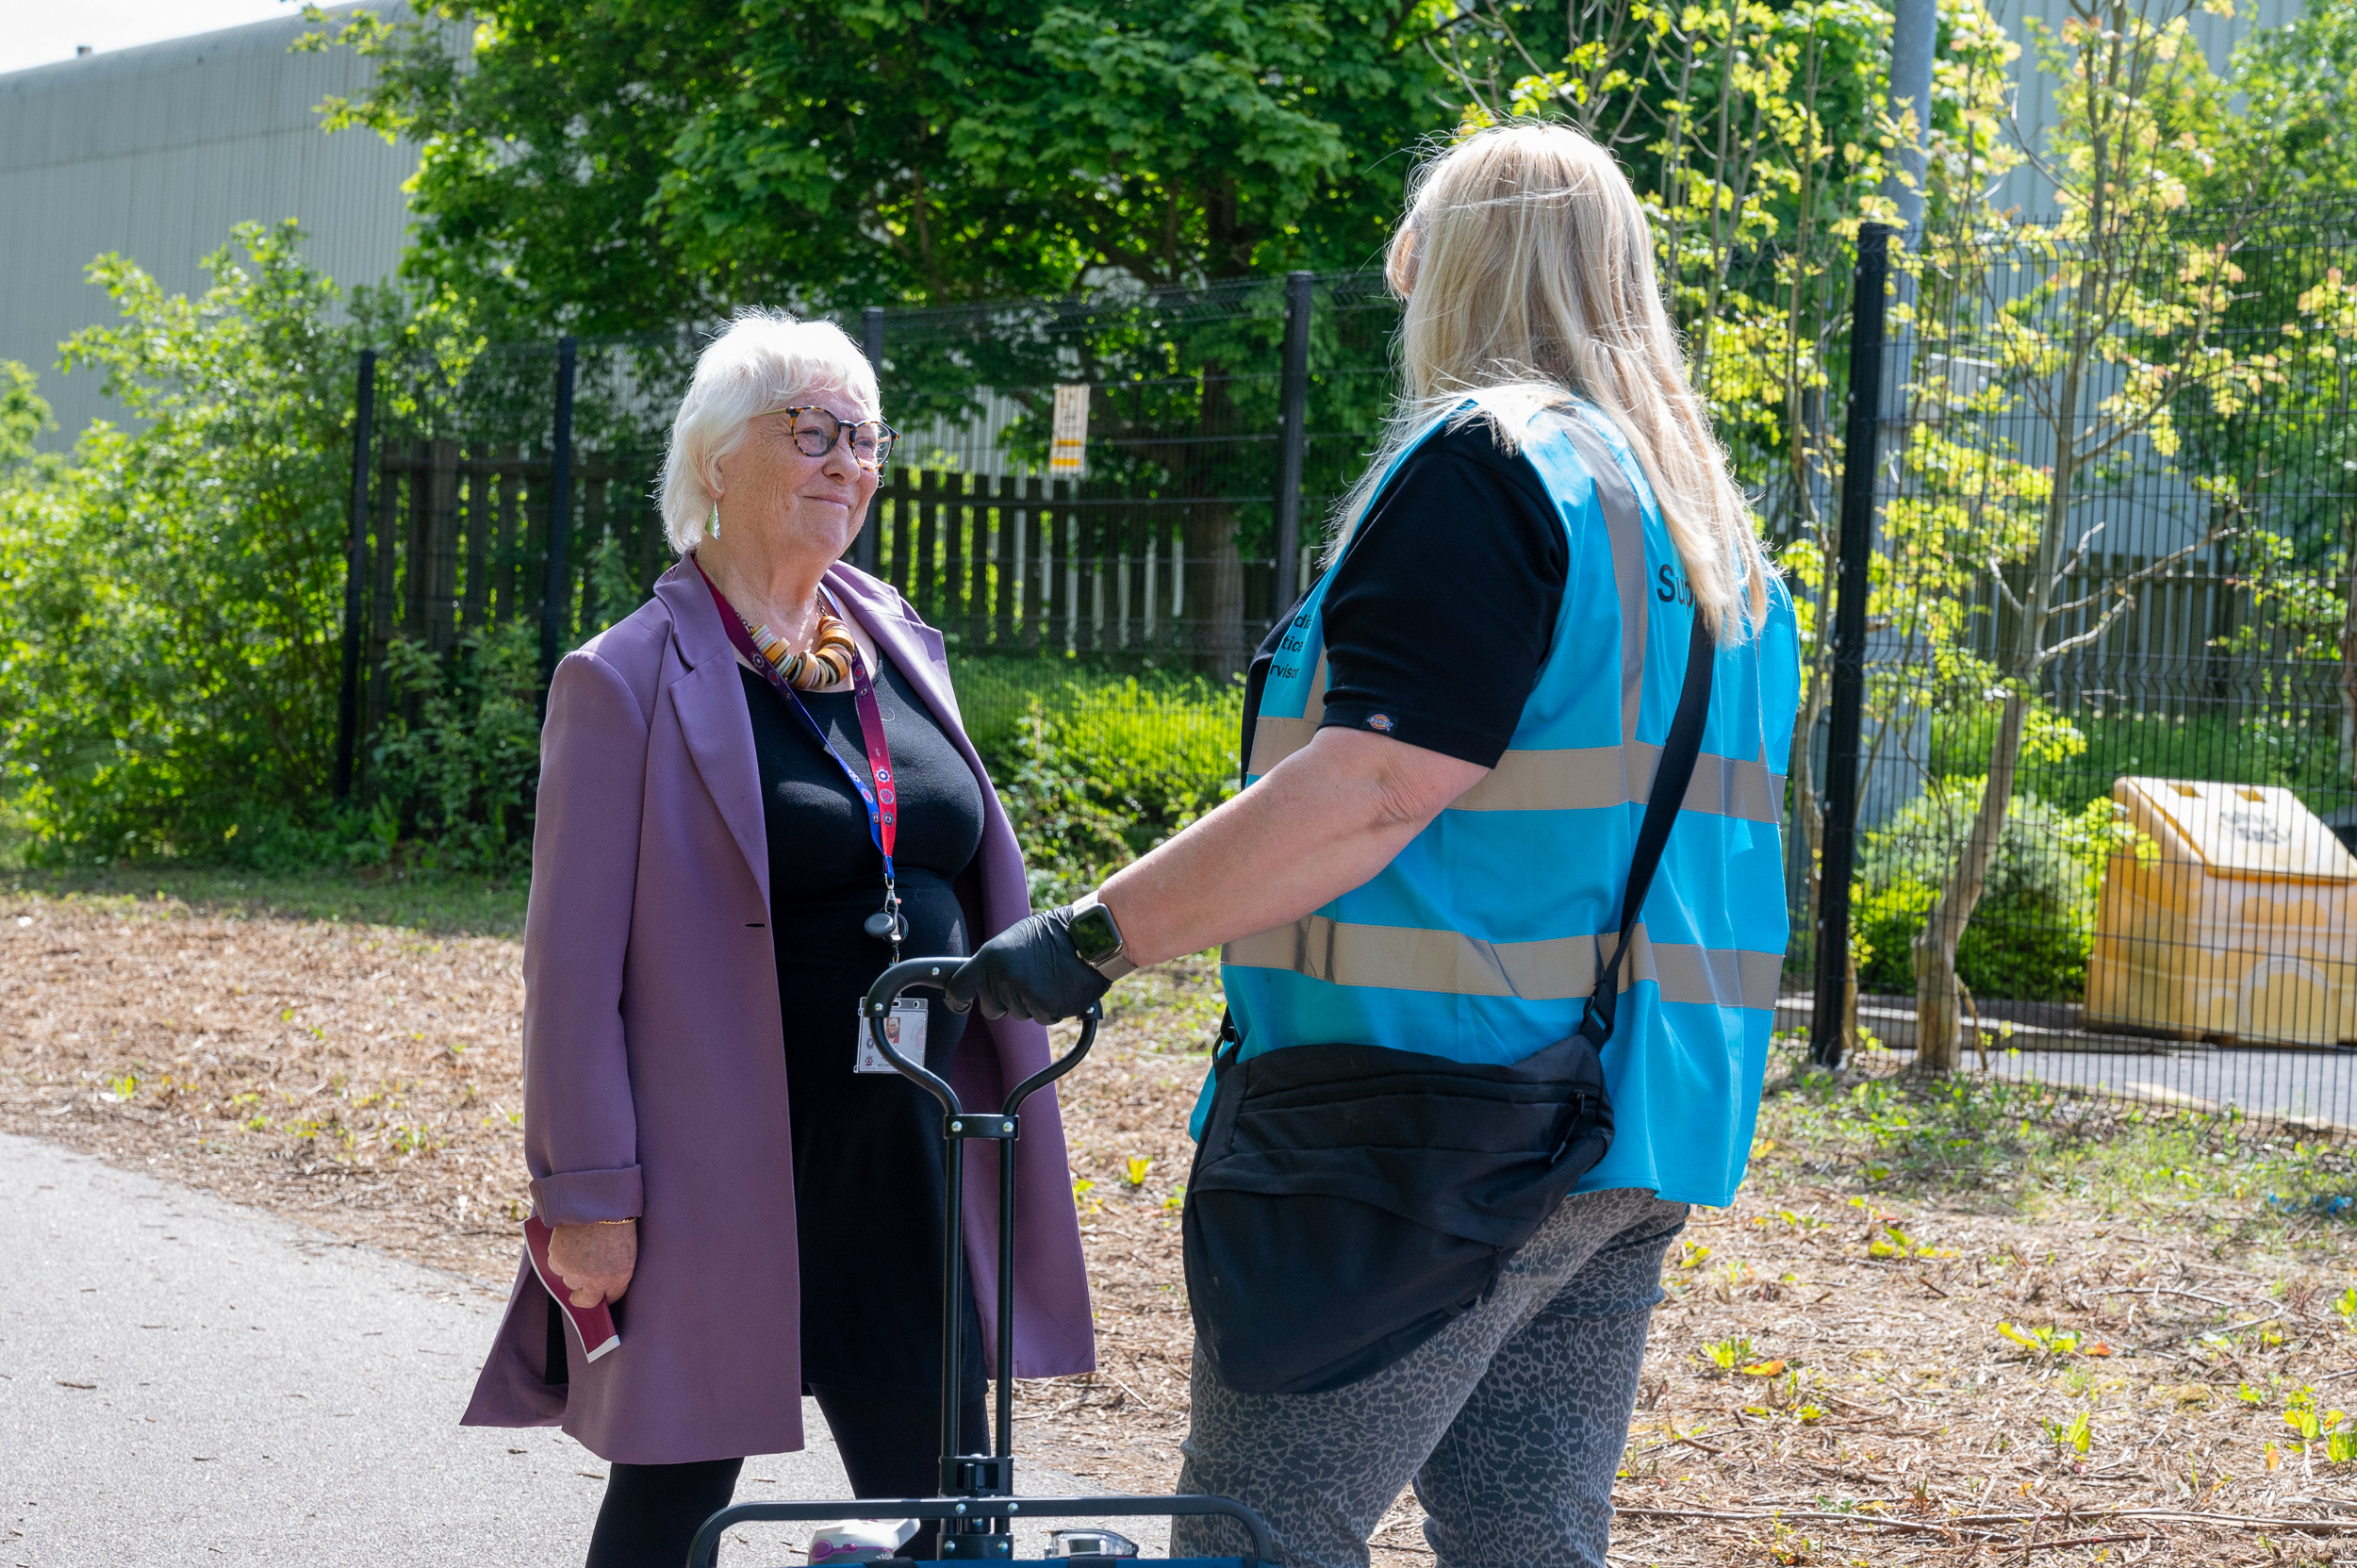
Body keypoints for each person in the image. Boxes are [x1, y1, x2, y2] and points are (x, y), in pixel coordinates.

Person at [949, 124, 1801, 1568]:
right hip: (1638, 1121)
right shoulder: (1704, 527)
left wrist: (1092, 937)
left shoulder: (1488, 464)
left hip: (1424, 1120)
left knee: (1259, 1533)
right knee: (1525, 1533)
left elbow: (1378, 784)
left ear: (1454, 274)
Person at [460, 312, 1095, 1567]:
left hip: (907, 1136)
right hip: (722, 1158)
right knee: (676, 1496)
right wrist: (585, 1195)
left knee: (955, 1506)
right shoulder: (627, 678)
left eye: (865, 437)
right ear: (715, 458)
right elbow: (570, 971)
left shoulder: (898, 641)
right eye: (812, 432)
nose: (848, 464)